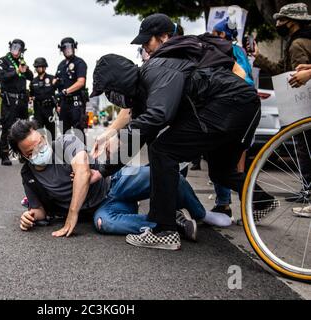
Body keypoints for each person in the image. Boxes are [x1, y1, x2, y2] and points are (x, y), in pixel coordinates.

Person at [91, 14, 272, 251]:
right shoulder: (146, 89)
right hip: (242, 107)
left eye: (108, 93)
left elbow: (159, 115)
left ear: (118, 83)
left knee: (162, 151)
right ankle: (263, 200)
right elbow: (140, 136)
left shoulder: (154, 69)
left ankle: (164, 230)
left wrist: (119, 136)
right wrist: (104, 171)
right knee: (221, 173)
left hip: (229, 105)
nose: (110, 99)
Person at [9, 120, 231, 239]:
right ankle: (170, 221)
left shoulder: (65, 142)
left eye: (40, 142)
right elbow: (40, 210)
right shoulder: (28, 175)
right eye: (32, 150)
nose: (40, 149)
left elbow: (83, 171)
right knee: (104, 224)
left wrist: (72, 215)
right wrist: (29, 216)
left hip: (115, 182)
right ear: (23, 156)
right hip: (104, 208)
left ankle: (202, 214)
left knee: (162, 175)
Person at [249, 3, 311, 200]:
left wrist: (259, 58)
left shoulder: (297, 44)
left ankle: (308, 190)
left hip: (303, 107)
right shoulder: (303, 40)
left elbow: (291, 76)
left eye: (281, 20)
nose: (277, 23)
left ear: (292, 23)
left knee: (304, 148)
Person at [210, 16, 257, 219]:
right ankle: (227, 204)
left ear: (222, 35)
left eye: (215, 34)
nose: (212, 37)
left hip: (235, 111)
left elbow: (243, 79)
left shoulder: (230, 52)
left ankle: (251, 203)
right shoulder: (238, 51)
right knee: (227, 162)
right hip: (238, 110)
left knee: (229, 163)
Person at [0, 39, 34, 166]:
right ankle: (5, 155)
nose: (16, 50)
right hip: (9, 100)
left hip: (22, 100)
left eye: (19, 49)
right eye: (14, 47)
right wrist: (17, 71)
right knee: (7, 127)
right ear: (10, 47)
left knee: (24, 128)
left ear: (22, 51)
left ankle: (23, 154)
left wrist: (25, 69)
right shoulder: (3, 61)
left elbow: (30, 76)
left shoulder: (21, 62)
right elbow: (4, 76)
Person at [55, 37, 88, 138]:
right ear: (62, 50)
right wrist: (58, 104)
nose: (68, 50)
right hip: (64, 103)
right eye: (65, 48)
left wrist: (66, 91)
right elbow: (57, 84)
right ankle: (67, 153)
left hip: (76, 103)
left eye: (70, 47)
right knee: (64, 132)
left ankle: (81, 153)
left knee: (78, 131)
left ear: (74, 48)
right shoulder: (61, 65)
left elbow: (81, 82)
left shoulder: (80, 63)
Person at [29, 57, 57, 141]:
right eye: (36, 67)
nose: (38, 68)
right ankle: (41, 152)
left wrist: (58, 105)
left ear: (44, 67)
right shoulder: (33, 81)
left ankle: (53, 151)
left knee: (52, 133)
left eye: (40, 66)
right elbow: (31, 95)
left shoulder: (52, 79)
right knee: (39, 133)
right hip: (38, 110)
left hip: (49, 109)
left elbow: (58, 92)